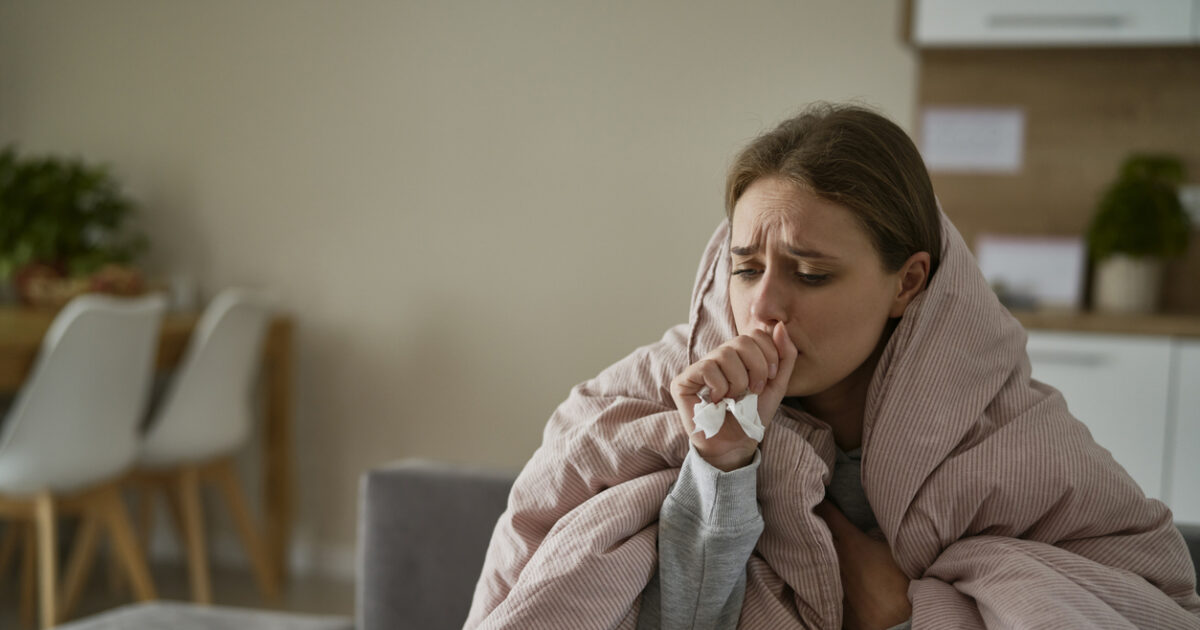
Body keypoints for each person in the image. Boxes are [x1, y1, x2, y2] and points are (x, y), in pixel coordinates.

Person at [465, 104, 1200, 630]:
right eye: (745, 267)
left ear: (908, 283)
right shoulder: (647, 398)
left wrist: (915, 615)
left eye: (811, 274)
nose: (763, 307)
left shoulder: (1009, 429)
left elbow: (1149, 597)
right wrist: (720, 468)